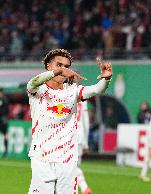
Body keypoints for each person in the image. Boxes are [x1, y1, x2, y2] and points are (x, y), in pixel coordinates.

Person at [27, 49, 112, 194]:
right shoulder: (38, 90)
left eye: (66, 66)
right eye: (59, 65)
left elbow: (97, 90)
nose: (63, 69)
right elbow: (32, 82)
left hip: (67, 159)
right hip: (42, 157)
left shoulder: (73, 91)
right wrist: (57, 72)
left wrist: (106, 79)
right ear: (48, 66)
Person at [76, 100, 92, 194]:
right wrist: (85, 143)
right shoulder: (83, 97)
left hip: (68, 136)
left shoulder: (63, 93)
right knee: (74, 166)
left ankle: (85, 188)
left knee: (70, 166)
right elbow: (86, 122)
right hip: (79, 136)